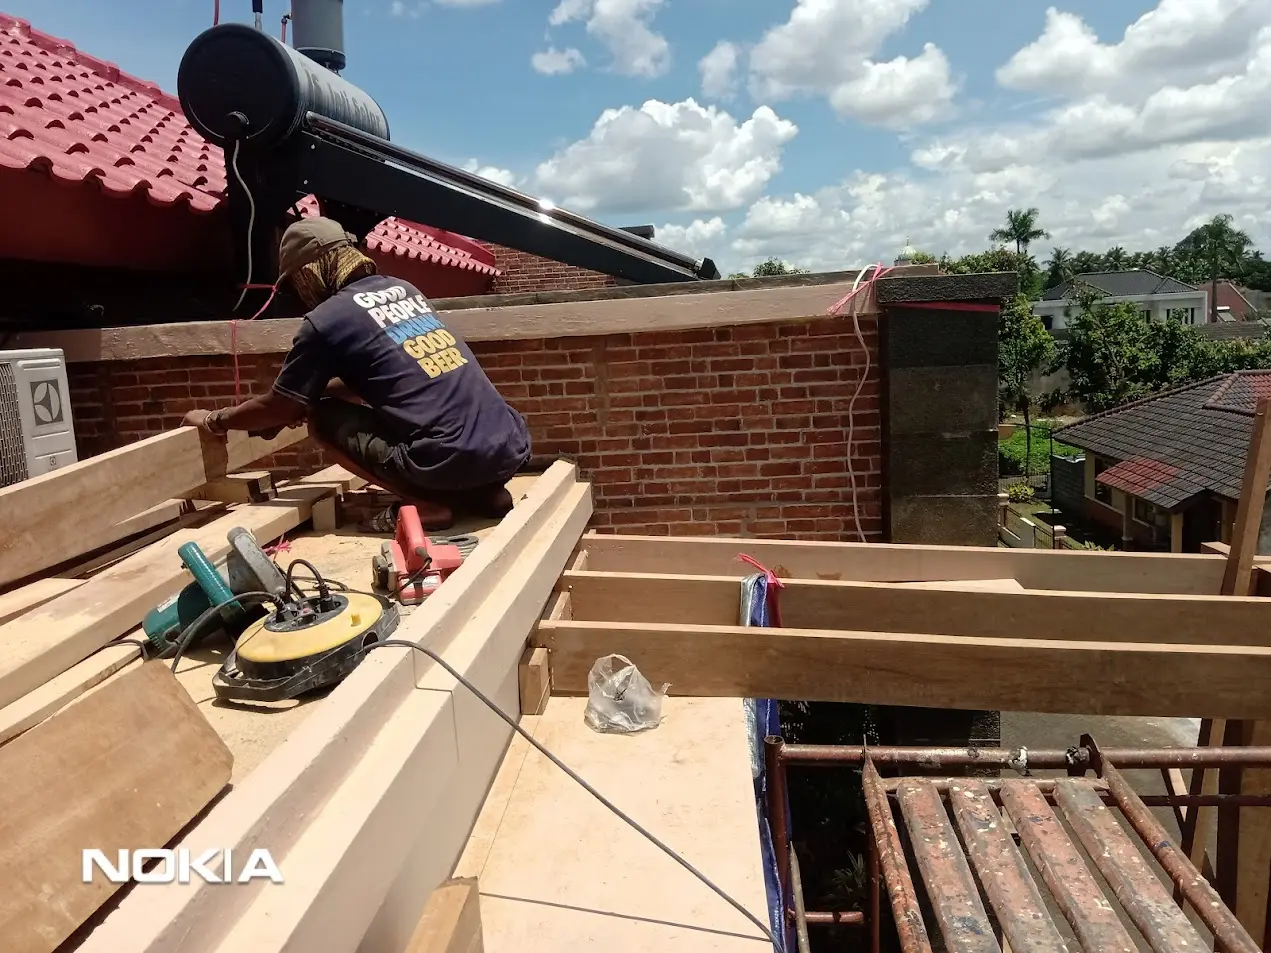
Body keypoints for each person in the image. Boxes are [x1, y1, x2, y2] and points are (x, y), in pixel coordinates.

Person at [182, 216, 531, 531]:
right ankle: (488, 494)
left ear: (309, 273)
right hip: (507, 448)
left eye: (295, 285)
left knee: (322, 420)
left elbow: (280, 408)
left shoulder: (327, 321)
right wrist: (308, 394)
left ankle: (427, 505)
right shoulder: (404, 289)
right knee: (343, 408)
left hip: (447, 458)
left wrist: (216, 420)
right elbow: (381, 376)